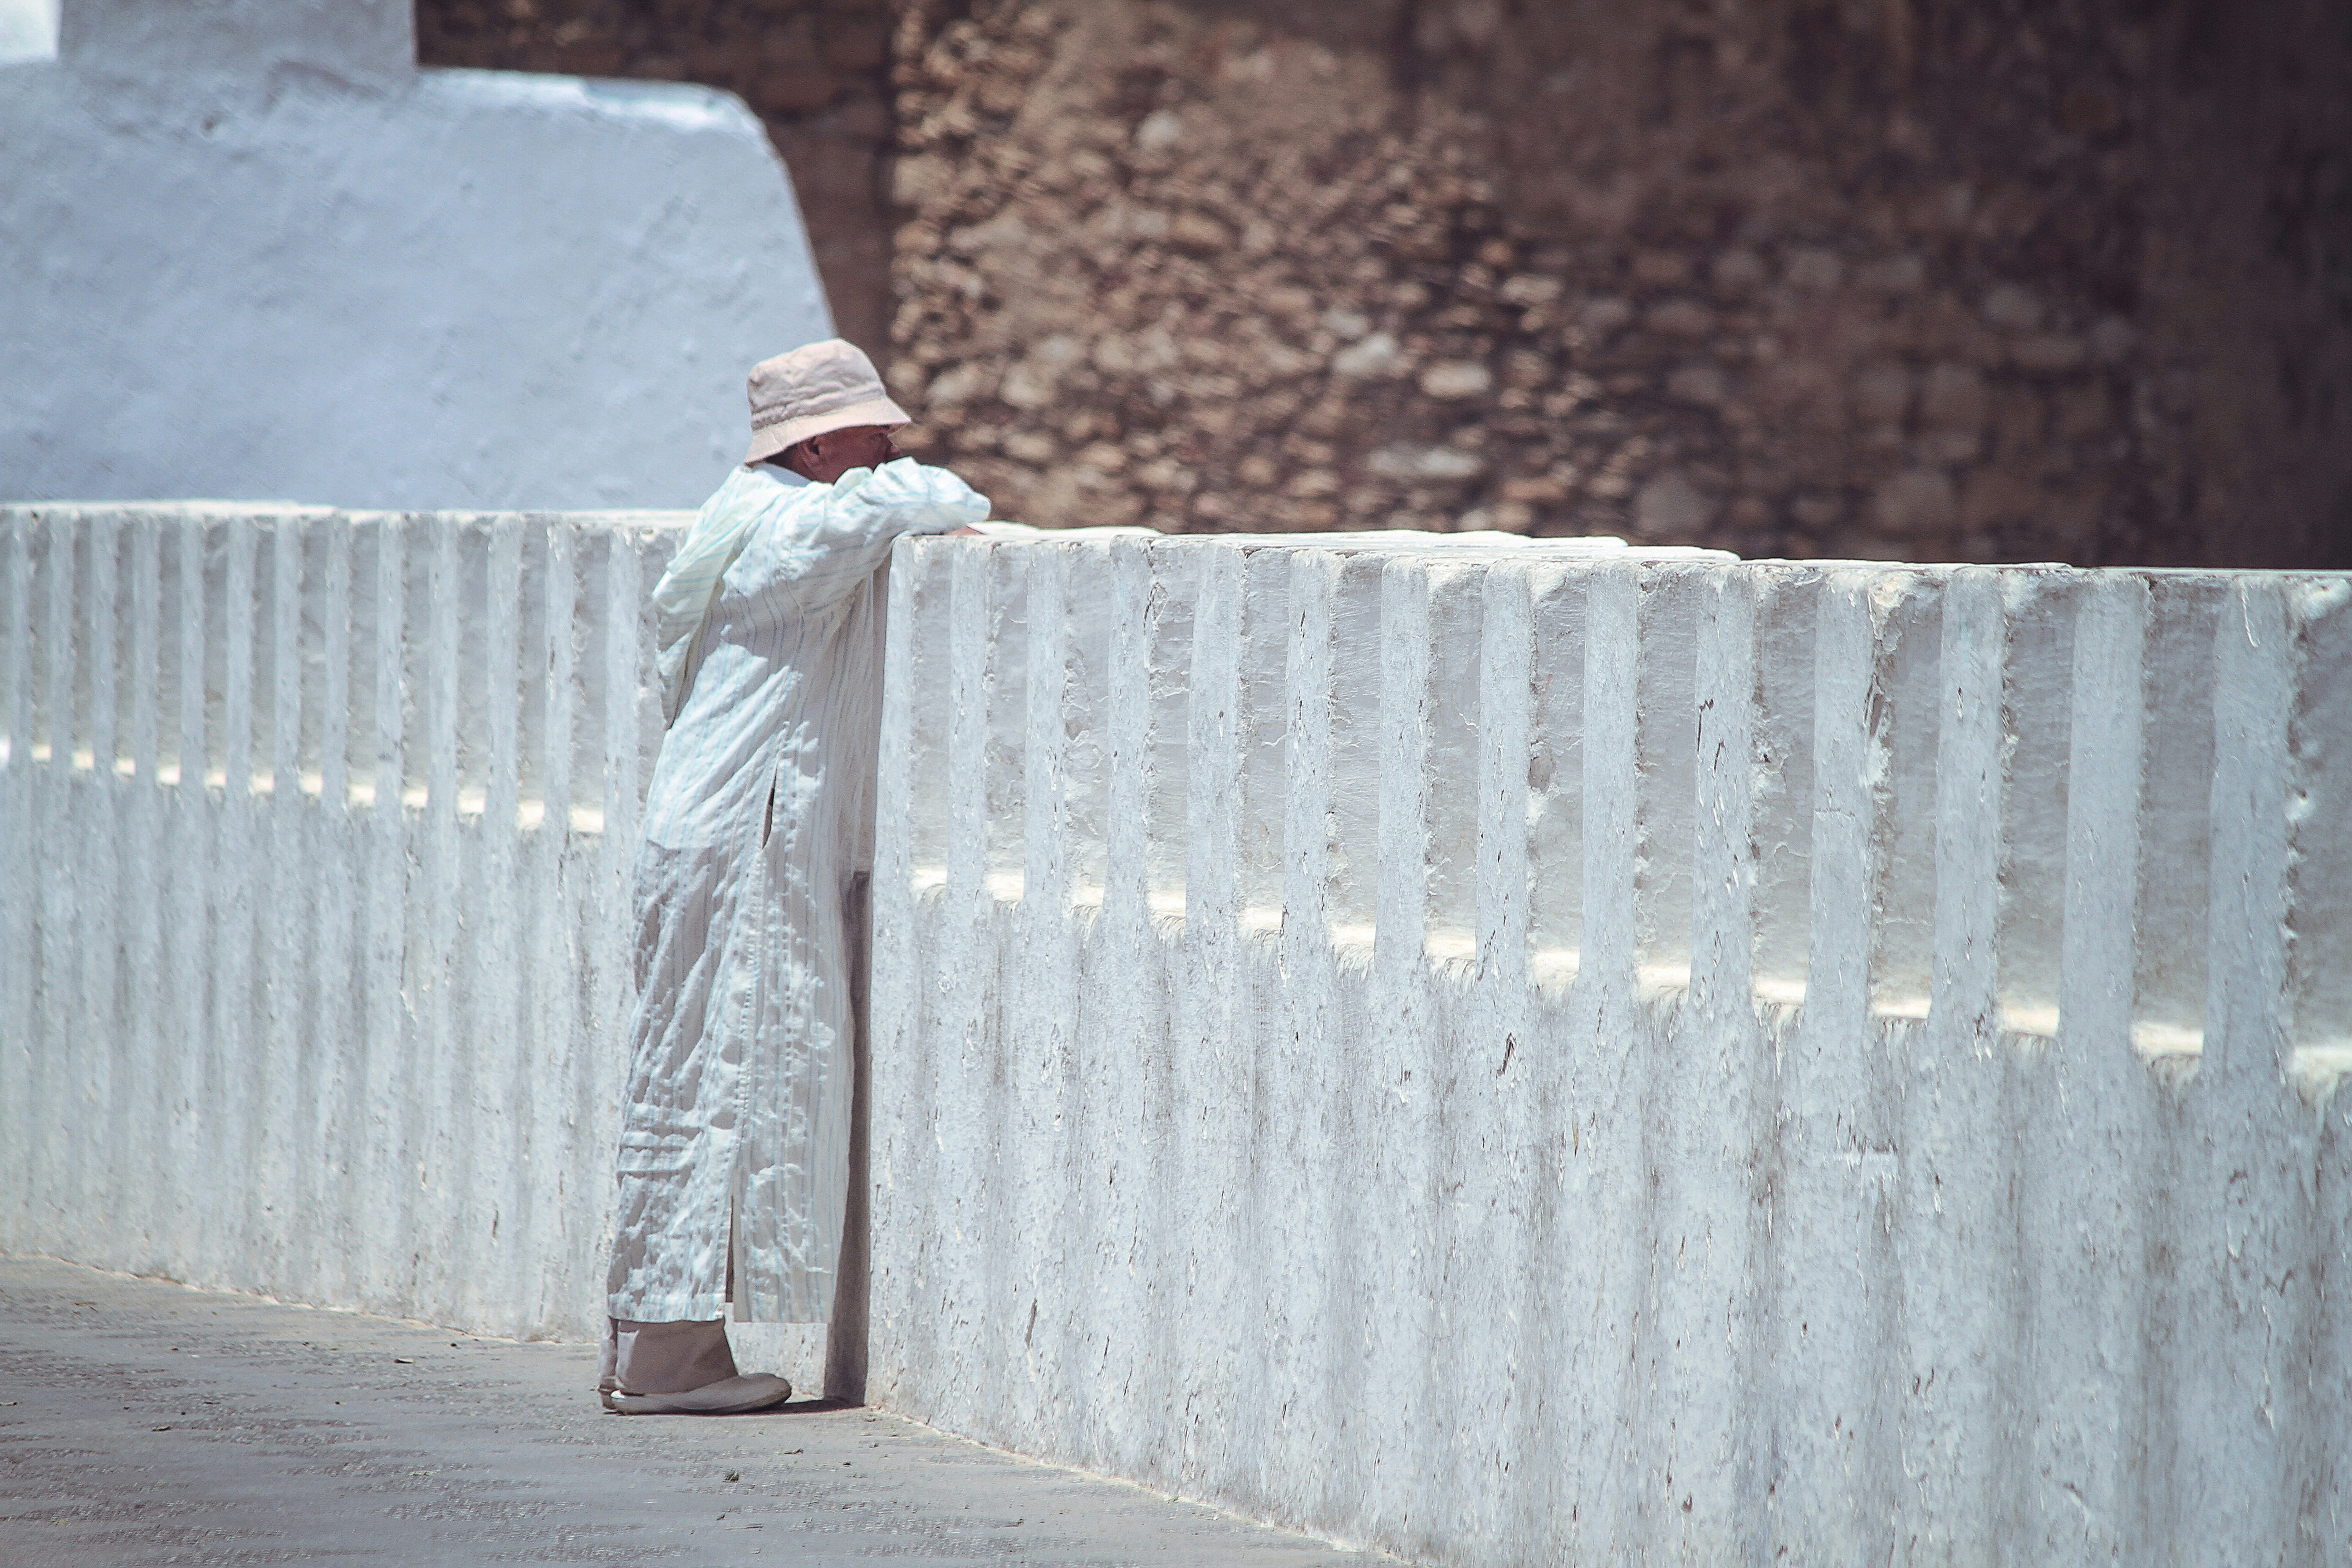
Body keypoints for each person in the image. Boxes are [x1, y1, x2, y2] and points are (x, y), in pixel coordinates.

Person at [598, 339, 988, 1414]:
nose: (891, 441)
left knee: (689, 1074)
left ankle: (658, 1347)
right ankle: (666, 1359)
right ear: (817, 446)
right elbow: (936, 497)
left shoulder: (745, 515)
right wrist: (914, 488)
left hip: (713, 829)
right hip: (736, 838)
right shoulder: (787, 528)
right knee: (713, 1077)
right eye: (870, 429)